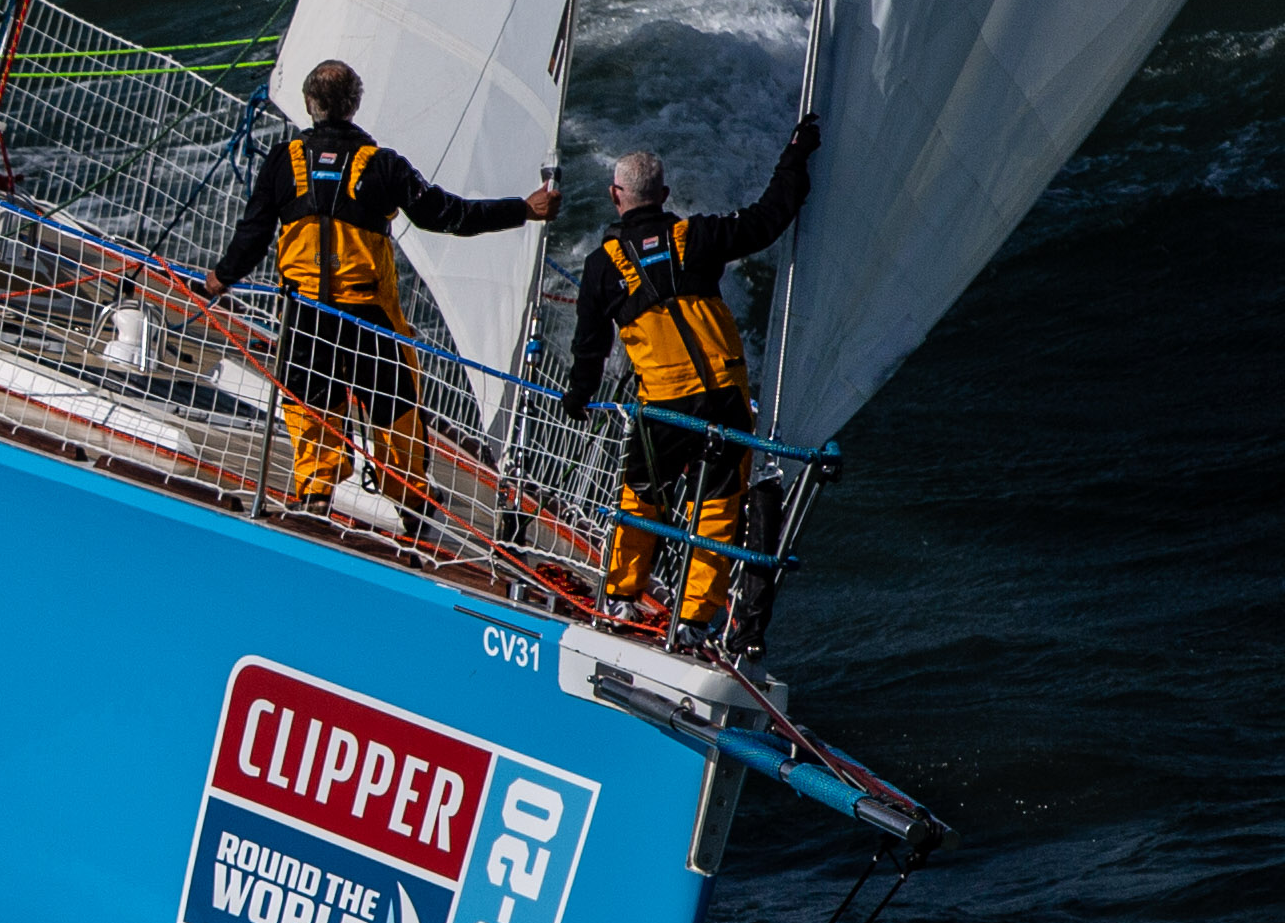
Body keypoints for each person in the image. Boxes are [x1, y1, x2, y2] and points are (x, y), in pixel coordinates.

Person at [196, 61, 557, 512]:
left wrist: (220, 278)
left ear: (309, 104)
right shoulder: (383, 166)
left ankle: (315, 495)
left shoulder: (282, 161)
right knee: (395, 412)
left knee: (308, 405)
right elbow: (448, 215)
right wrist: (523, 209)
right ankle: (412, 504)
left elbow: (253, 234)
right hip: (370, 319)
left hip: (304, 315)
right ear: (355, 105)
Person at [558, 119, 819, 637]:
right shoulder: (696, 236)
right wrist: (795, 154)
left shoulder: (602, 266)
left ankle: (620, 599)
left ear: (615, 196)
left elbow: (590, 346)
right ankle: (695, 621)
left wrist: (579, 395)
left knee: (640, 498)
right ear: (664, 196)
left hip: (664, 406)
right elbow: (769, 217)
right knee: (718, 508)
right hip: (725, 399)